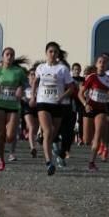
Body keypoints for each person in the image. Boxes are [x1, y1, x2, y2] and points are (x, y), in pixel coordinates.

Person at [32, 42, 75, 176]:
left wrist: (62, 97)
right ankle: (49, 162)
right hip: (43, 102)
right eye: (50, 51)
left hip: (57, 104)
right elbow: (35, 81)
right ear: (46, 53)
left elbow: (71, 88)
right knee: (48, 130)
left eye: (55, 52)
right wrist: (33, 96)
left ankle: (48, 147)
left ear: (58, 54)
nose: (53, 54)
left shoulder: (62, 69)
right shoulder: (41, 68)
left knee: (52, 135)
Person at [0, 48, 28, 171]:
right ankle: (1, 159)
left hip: (13, 106)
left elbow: (26, 84)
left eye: (12, 55)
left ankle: (5, 145)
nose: (9, 57)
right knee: (1, 133)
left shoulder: (19, 71)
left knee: (9, 137)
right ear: (2, 57)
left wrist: (21, 88)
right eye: (7, 54)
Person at [79, 54, 109, 172]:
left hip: (101, 109)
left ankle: (92, 162)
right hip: (89, 108)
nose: (102, 64)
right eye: (100, 61)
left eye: (104, 62)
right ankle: (98, 145)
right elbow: (80, 94)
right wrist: (85, 104)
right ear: (96, 64)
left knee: (98, 134)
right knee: (86, 140)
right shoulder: (91, 77)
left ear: (107, 66)